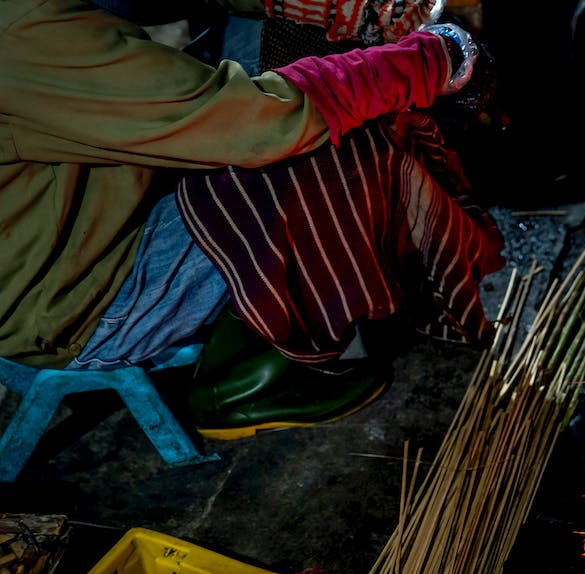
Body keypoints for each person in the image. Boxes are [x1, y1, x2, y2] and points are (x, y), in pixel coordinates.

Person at [0, 0, 506, 438]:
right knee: (336, 136)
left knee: (296, 37)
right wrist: (430, 63)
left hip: (79, 205)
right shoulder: (18, 29)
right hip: (76, 298)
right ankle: (245, 377)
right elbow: (258, 120)